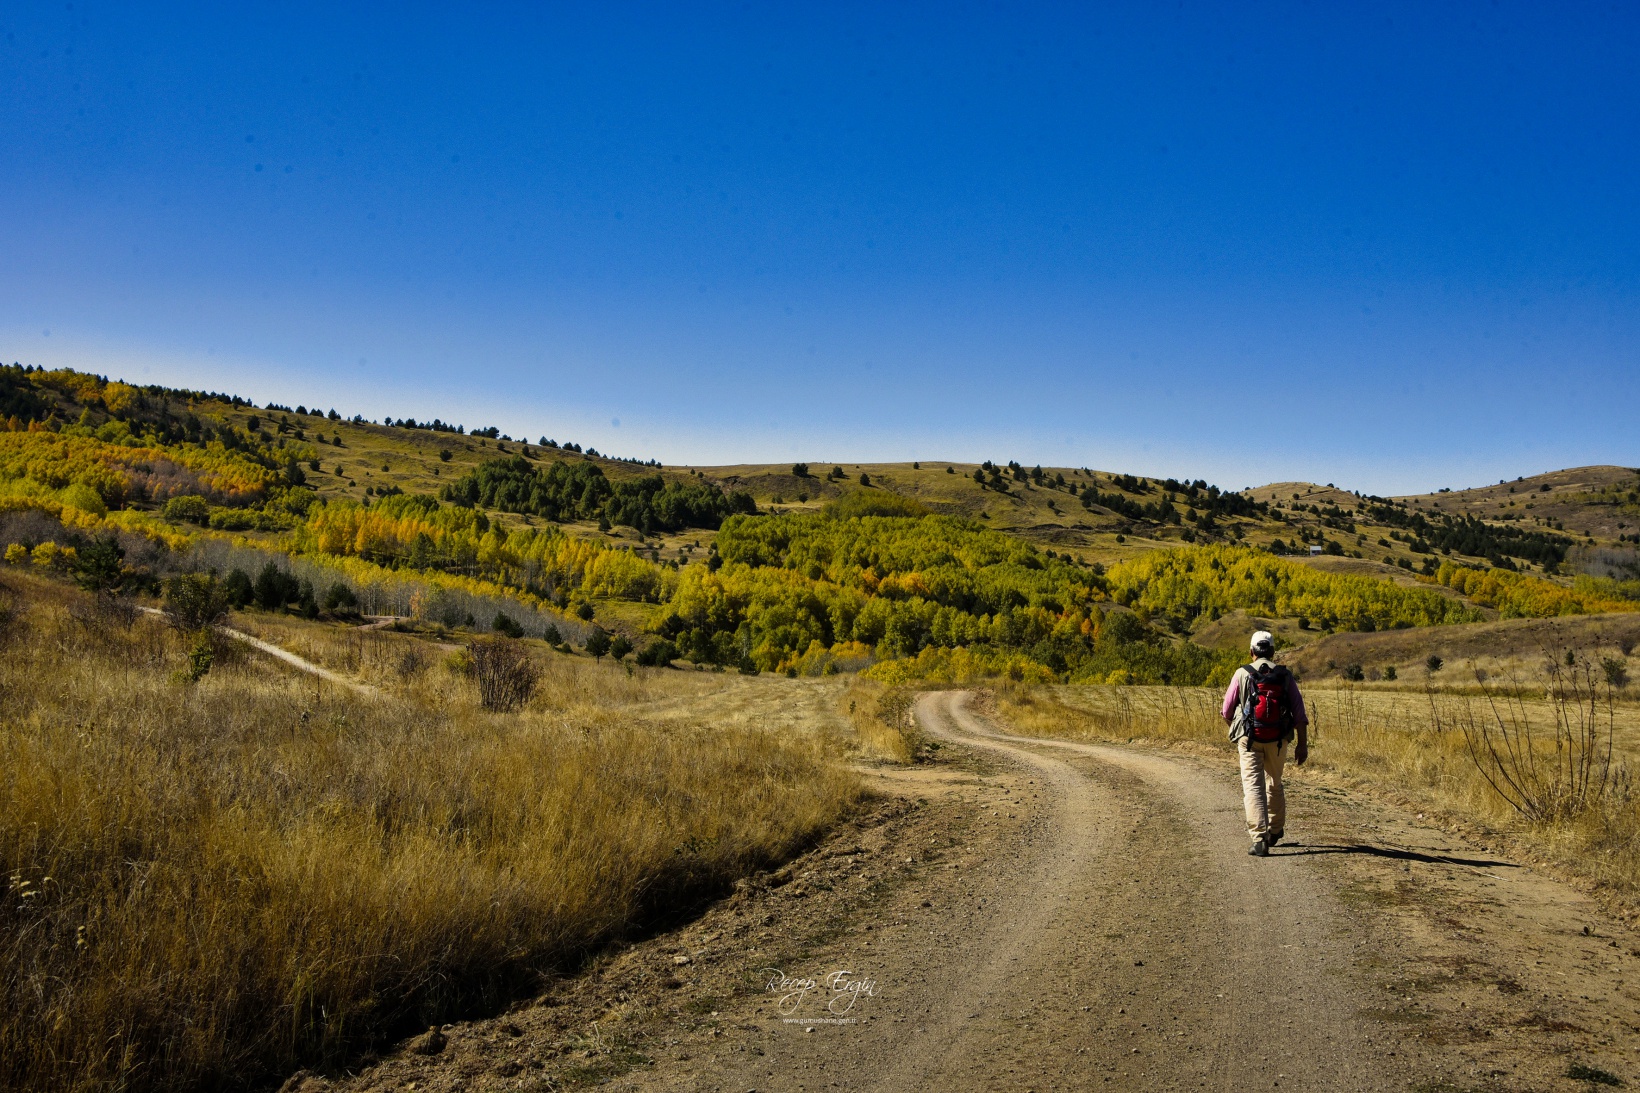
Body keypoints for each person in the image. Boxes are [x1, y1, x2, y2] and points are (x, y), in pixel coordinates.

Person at [1220, 630, 1308, 857]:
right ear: (1272, 651)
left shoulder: (1241, 673)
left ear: (1251, 652)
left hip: (1249, 739)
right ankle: (1276, 830)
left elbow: (1226, 710)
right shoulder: (1285, 676)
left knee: (1253, 787)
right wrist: (1302, 744)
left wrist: (1239, 729)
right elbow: (1299, 712)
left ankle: (1259, 838)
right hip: (1278, 739)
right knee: (1275, 782)